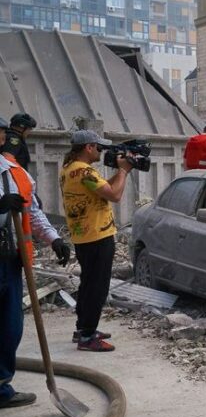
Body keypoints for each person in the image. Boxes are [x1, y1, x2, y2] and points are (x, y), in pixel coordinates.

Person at [0, 118, 70, 409]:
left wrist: (54, 239)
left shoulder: (15, 171)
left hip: (10, 260)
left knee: (10, 327)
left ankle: (1, 388)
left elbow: (34, 212)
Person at [61, 129, 132, 352]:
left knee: (88, 282)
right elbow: (115, 195)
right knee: (97, 286)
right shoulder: (84, 171)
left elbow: (103, 190)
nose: (101, 151)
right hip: (97, 234)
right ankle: (88, 337)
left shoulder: (70, 169)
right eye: (98, 147)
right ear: (88, 147)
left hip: (83, 235)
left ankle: (83, 328)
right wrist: (124, 171)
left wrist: (118, 173)